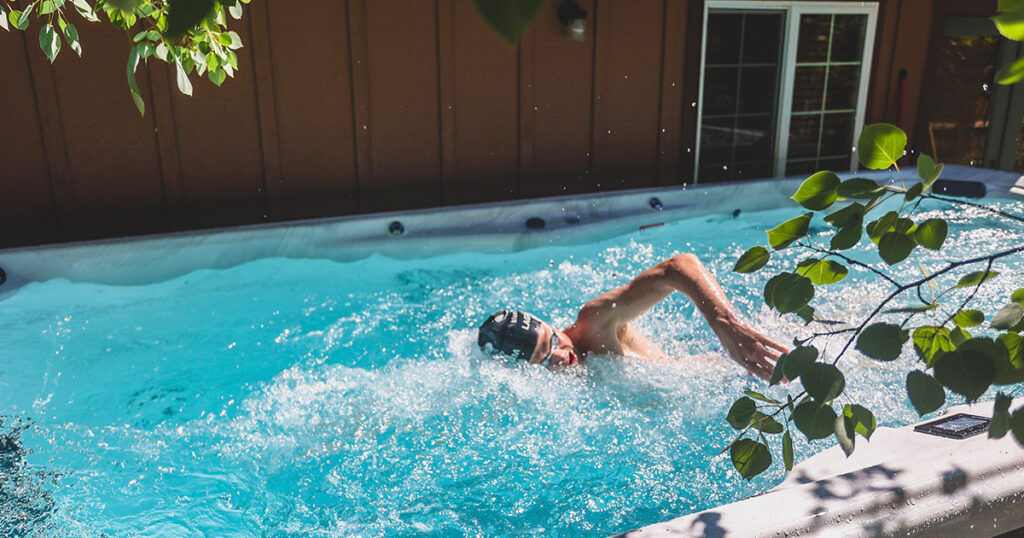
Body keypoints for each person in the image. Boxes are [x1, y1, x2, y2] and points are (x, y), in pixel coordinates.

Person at [477, 254, 787, 379]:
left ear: (548, 324)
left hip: (736, 368)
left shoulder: (594, 322)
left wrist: (726, 324)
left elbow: (678, 267)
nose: (561, 355)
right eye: (544, 360)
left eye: (553, 341)